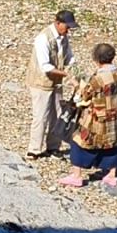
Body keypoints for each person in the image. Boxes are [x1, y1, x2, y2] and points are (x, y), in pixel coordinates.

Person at [58, 42, 117, 190]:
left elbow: (86, 93)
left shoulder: (98, 78)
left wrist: (76, 83)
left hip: (99, 116)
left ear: (96, 59)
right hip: (116, 114)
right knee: (113, 143)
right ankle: (112, 175)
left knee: (81, 141)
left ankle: (77, 176)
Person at [24, 9, 77, 158]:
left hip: (56, 82)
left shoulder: (64, 38)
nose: (68, 30)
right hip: (40, 82)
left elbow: (70, 58)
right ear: (58, 23)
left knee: (58, 114)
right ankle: (34, 149)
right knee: (41, 116)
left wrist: (76, 71)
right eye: (67, 26)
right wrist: (67, 75)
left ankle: (53, 146)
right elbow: (45, 66)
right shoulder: (43, 38)